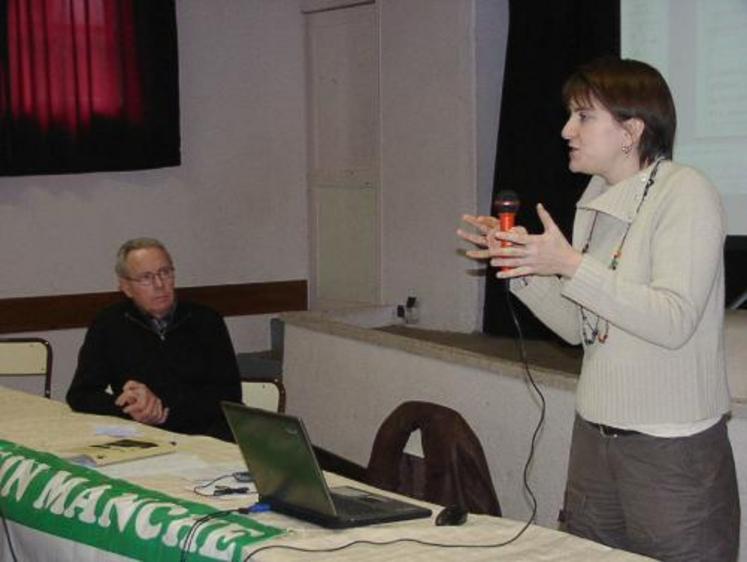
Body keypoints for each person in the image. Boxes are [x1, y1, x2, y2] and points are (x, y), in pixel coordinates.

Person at [458, 57, 739, 560]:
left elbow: (672, 320)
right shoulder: (596, 199)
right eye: (570, 115)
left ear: (631, 130)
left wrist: (568, 264)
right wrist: (524, 267)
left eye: (583, 117)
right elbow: (579, 327)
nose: (567, 130)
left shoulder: (686, 192)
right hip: (594, 438)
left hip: (670, 451)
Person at [67, 238, 242, 441]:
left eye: (165, 273)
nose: (159, 285)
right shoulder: (109, 324)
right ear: (125, 287)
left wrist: (161, 408)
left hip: (205, 435)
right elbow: (81, 394)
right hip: (142, 437)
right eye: (146, 278)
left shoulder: (207, 320)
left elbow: (229, 396)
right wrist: (131, 407)